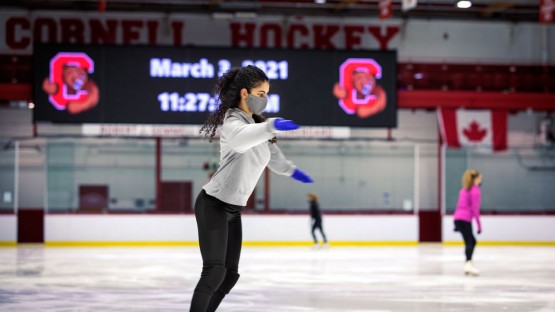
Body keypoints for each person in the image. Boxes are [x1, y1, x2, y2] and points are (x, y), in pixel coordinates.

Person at [190, 65, 314, 312]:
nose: (265, 99)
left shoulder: (257, 124)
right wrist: (271, 126)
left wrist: (293, 171)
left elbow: (273, 157)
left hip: (233, 209)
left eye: (267, 94)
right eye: (261, 93)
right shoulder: (233, 121)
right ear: (245, 93)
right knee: (214, 271)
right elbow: (241, 139)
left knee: (230, 275)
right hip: (213, 204)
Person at [453, 169, 482, 276]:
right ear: (475, 179)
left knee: (470, 241)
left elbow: (459, 206)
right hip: (465, 219)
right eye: (479, 178)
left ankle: (468, 263)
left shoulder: (464, 190)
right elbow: (475, 208)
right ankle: (468, 264)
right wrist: (479, 225)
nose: (480, 180)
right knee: (471, 241)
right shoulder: (475, 190)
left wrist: (456, 224)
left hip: (458, 219)